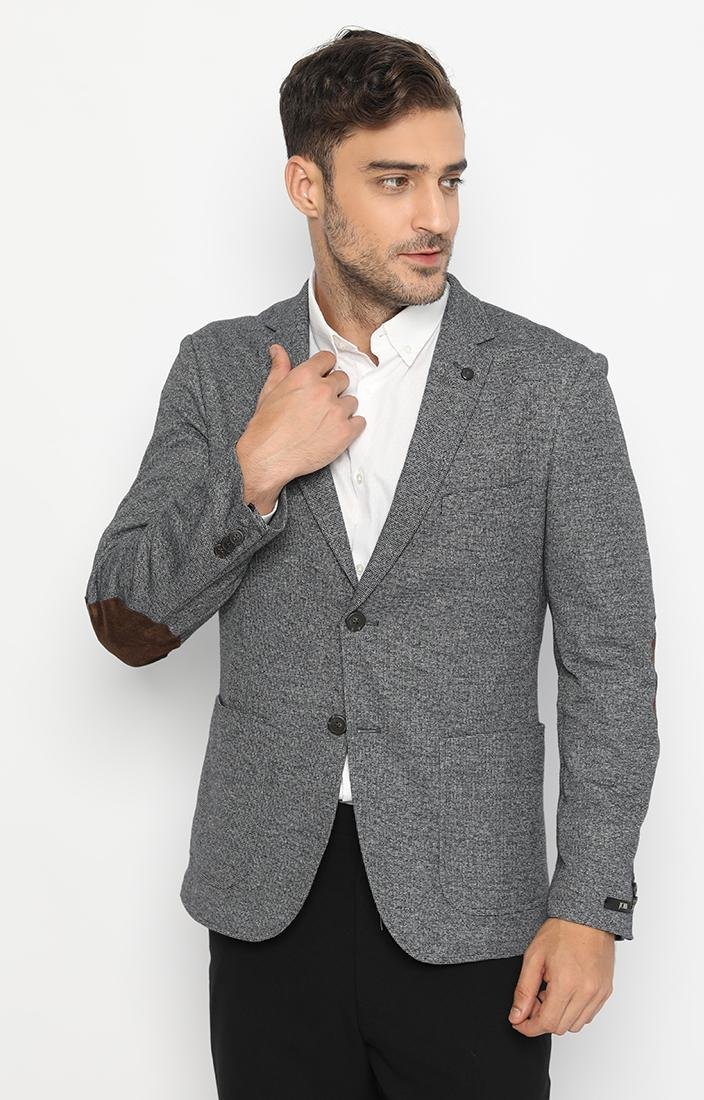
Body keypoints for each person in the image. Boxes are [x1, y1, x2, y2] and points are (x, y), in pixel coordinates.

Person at [85, 26, 659, 1099]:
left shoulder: (554, 388)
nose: (435, 215)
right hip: (269, 898)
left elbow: (612, 665)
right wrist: (256, 470)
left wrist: (590, 901)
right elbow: (125, 619)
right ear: (308, 186)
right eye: (394, 181)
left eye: (450, 179)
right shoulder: (220, 370)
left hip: (472, 903)